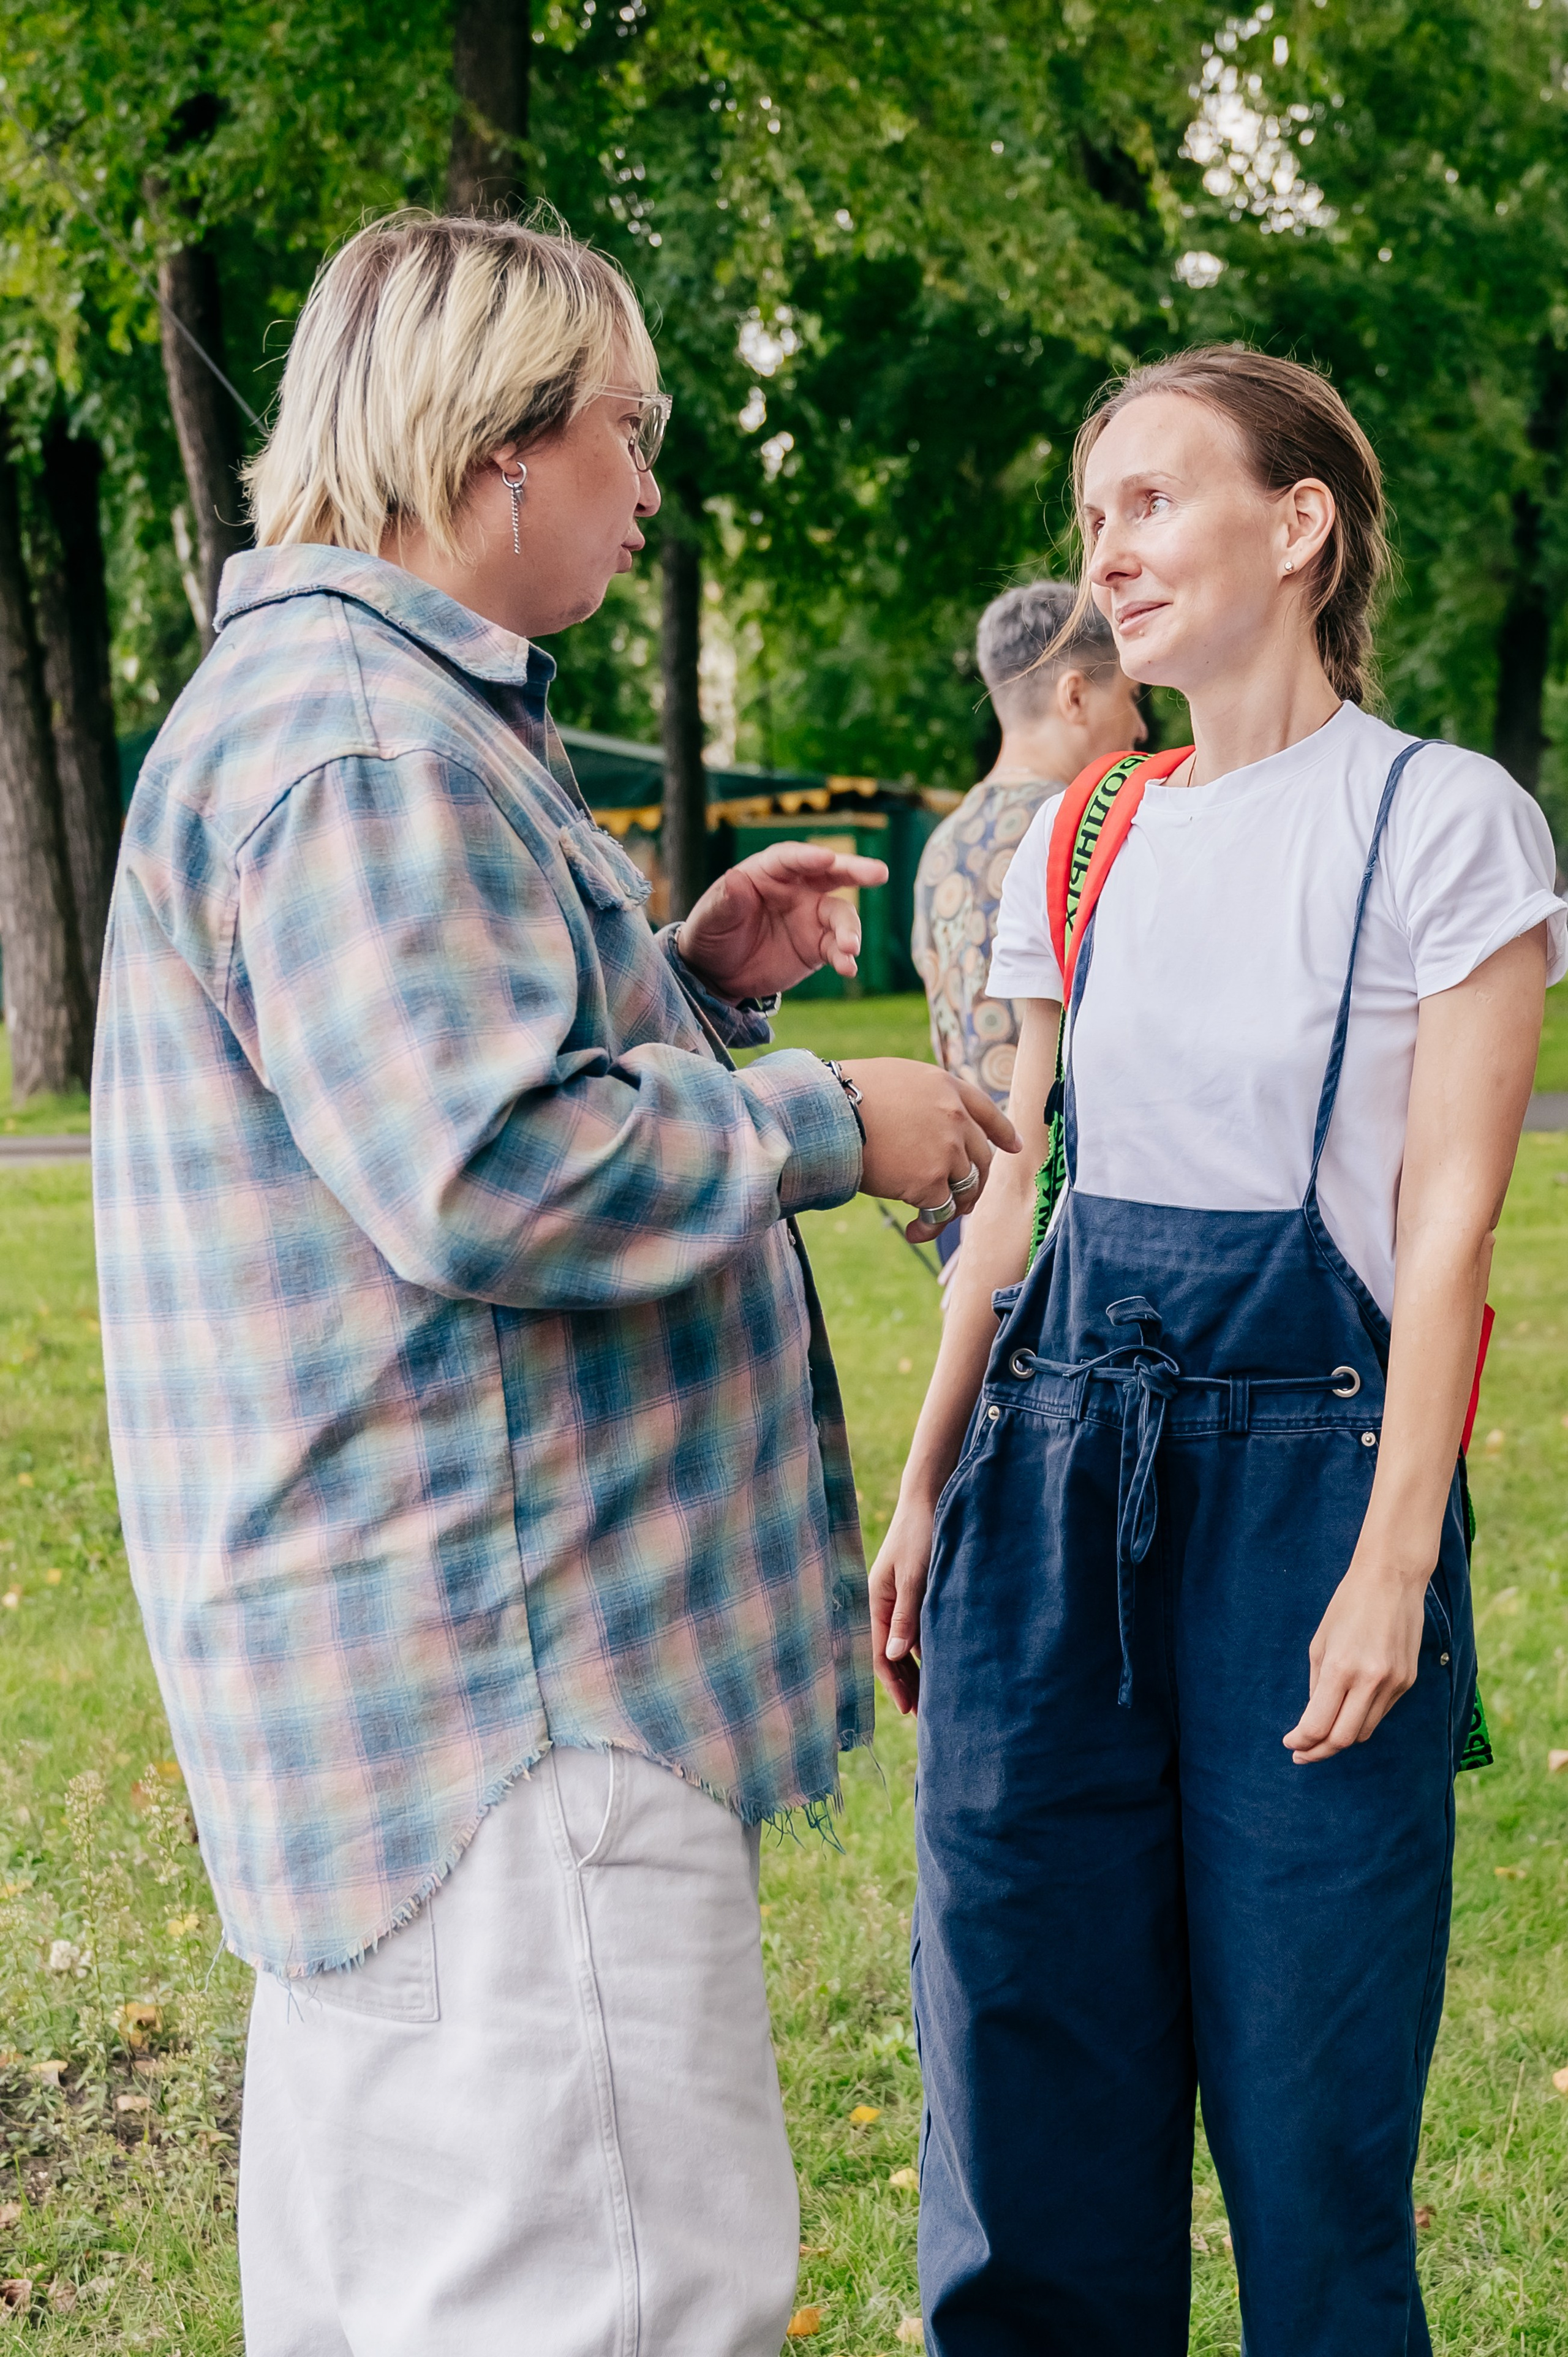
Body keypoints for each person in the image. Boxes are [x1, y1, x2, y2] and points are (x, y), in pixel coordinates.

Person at [92, 211, 1016, 2357]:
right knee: (608, 2297)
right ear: (500, 447)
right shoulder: (375, 749)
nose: (646, 483)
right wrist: (822, 1119)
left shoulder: (357, 715)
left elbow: (426, 1090)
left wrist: (677, 976)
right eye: (628, 432)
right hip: (510, 1710)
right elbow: (483, 1165)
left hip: (412, 1709)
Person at [870, 347, 1566, 2355]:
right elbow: (1014, 1188)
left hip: (1309, 1500)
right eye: (1095, 519)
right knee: (1026, 2077)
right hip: (1050, 1484)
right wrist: (927, 1479)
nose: (1112, 554)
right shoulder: (1086, 836)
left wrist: (1396, 1557)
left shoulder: (1446, 821)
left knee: (1308, 2119)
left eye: (1154, 502)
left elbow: (1447, 1226)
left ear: (1300, 522)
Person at [910, 583, 1144, 1284]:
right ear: (1075, 696)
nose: (1139, 727)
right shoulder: (1087, 839)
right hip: (1061, 1216)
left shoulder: (940, 848)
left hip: (968, 1208)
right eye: (1130, 696)